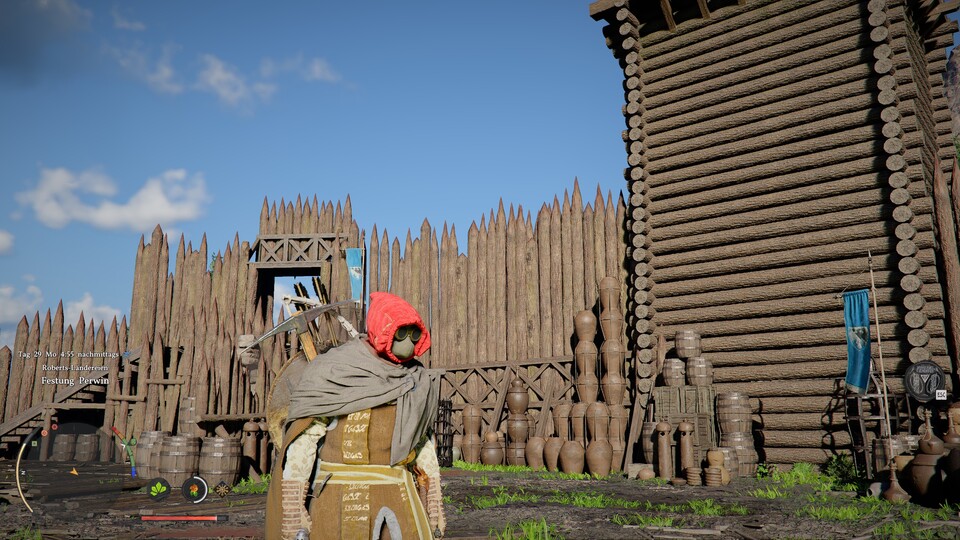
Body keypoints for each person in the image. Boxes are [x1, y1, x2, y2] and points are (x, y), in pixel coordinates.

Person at [266, 292, 446, 539]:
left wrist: (433, 496)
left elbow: (421, 439)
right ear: (383, 329)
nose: (409, 342)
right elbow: (304, 440)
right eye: (401, 333)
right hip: (339, 503)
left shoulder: (415, 378)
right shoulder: (335, 371)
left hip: (401, 501)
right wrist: (294, 508)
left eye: (414, 334)